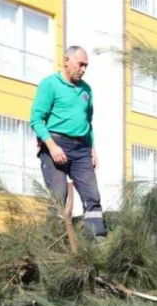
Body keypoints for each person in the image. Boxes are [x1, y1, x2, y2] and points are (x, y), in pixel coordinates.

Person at [30, 46, 105, 239]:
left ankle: (97, 241)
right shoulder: (49, 84)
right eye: (80, 64)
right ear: (66, 61)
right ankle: (53, 244)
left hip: (81, 149)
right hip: (55, 144)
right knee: (58, 196)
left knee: (93, 196)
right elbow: (36, 120)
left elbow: (88, 123)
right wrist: (51, 146)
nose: (83, 69)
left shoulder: (86, 90)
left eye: (86, 66)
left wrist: (92, 149)